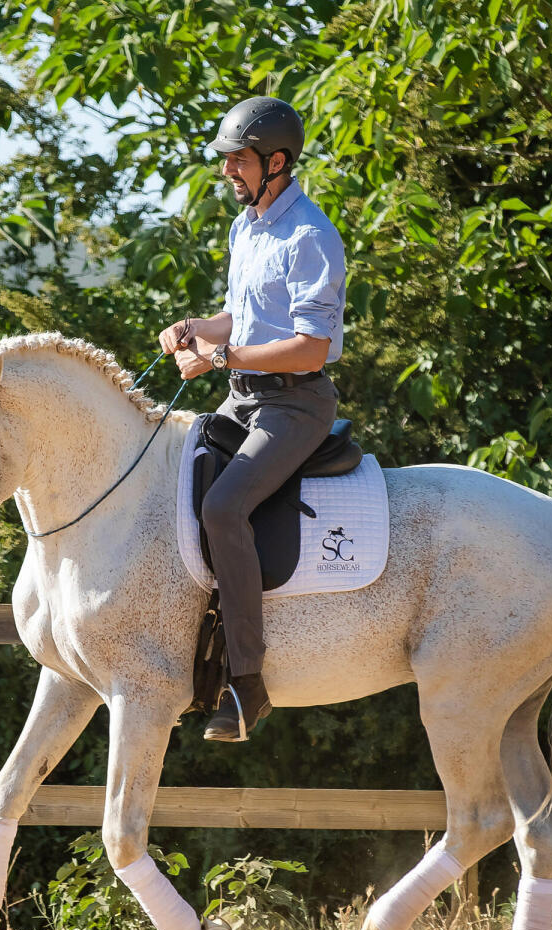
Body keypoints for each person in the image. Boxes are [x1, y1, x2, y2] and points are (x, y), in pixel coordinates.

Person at [157, 96, 347, 743]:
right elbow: (236, 317)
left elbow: (310, 347)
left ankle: (247, 687)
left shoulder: (311, 235)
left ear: (277, 161)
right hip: (243, 395)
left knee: (223, 507)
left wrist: (219, 356)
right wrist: (191, 328)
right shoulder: (249, 227)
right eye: (227, 161)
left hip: (294, 404)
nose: (226, 172)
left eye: (237, 160)